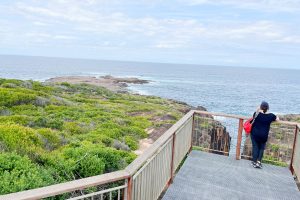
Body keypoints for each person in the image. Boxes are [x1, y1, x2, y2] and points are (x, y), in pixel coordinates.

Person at [250, 101, 279, 169]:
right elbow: (277, 119)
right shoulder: (271, 116)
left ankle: (254, 162)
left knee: (255, 147)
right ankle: (259, 162)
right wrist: (277, 116)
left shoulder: (257, 114)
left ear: (260, 107)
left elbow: (254, 115)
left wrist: (258, 109)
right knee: (261, 148)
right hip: (264, 135)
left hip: (255, 134)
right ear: (268, 108)